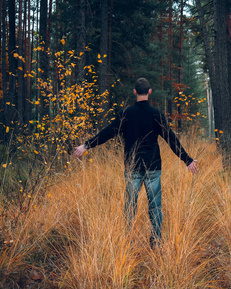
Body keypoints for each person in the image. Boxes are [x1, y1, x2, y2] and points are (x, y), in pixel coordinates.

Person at [73, 78, 198, 249]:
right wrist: (187, 160)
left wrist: (86, 145)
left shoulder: (127, 113)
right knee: (155, 207)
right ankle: (156, 243)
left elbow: (108, 132)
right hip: (153, 167)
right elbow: (171, 138)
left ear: (134, 92)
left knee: (130, 207)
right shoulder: (156, 114)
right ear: (149, 92)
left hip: (132, 167)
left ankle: (128, 243)